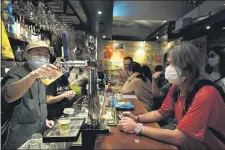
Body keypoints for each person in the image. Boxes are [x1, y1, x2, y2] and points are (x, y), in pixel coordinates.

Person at [118, 42, 225, 149]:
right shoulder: (176, 87)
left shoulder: (206, 94)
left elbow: (178, 137)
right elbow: (161, 113)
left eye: (174, 65)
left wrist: (136, 128)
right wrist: (136, 118)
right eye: (168, 64)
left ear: (189, 69)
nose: (169, 69)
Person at [1, 41, 58, 149]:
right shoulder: (16, 72)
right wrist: (32, 76)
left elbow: (35, 103)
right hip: (18, 142)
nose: (43, 58)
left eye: (46, 55)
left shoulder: (42, 76)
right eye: (38, 53)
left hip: (37, 138)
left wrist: (43, 120)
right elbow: (8, 96)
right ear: (27, 55)